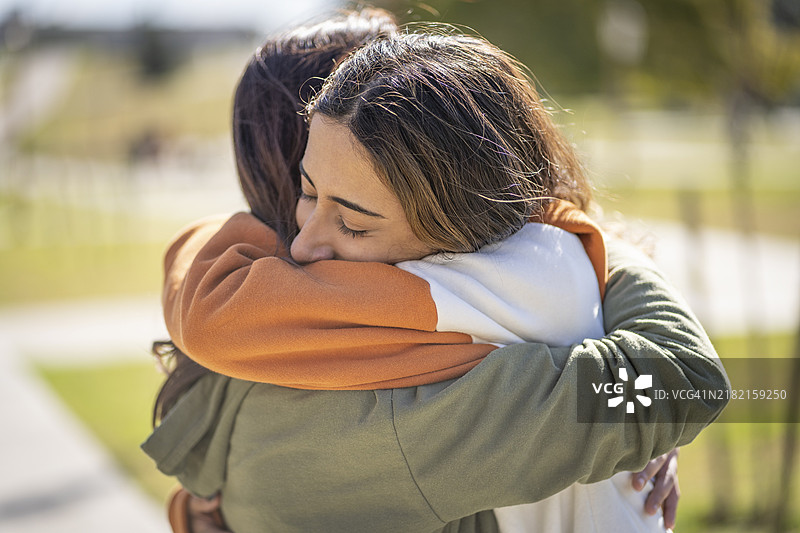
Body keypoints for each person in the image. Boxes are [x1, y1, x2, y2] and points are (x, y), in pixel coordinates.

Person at [144, 14, 727, 533]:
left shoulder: (249, 334)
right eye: (311, 193)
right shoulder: (432, 404)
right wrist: (587, 245)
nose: (302, 247)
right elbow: (682, 381)